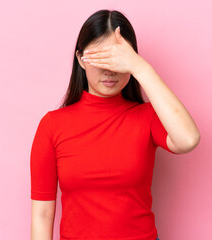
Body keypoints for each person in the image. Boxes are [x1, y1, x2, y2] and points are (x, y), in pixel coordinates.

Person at [30, 9, 200, 240]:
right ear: (80, 59)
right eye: (101, 58)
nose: (110, 70)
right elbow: (42, 214)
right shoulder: (52, 125)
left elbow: (188, 139)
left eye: (119, 59)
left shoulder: (147, 117)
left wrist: (141, 68)